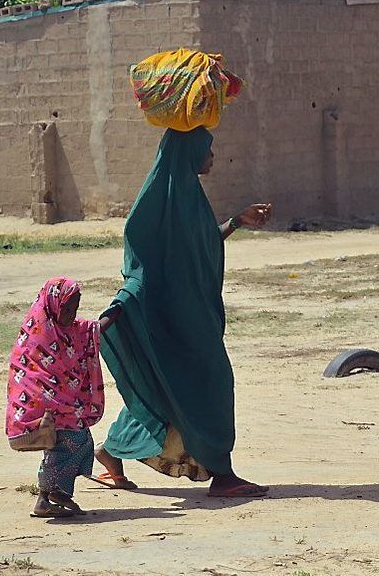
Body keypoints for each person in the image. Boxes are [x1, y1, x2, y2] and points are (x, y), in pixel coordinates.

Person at [93, 127, 274, 498]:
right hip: (168, 319)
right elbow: (141, 258)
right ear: (188, 152)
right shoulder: (157, 200)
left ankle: (111, 451)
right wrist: (118, 310)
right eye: (207, 150)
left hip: (195, 319)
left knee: (174, 392)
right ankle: (223, 476)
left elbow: (198, 245)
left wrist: (237, 222)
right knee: (210, 385)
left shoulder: (189, 196)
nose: (212, 157)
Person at [5, 277, 120, 518]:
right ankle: (47, 497)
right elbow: (31, 376)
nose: (70, 314)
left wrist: (120, 307)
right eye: (66, 308)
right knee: (72, 441)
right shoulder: (38, 333)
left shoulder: (69, 329)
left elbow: (93, 330)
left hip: (63, 410)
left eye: (75, 309)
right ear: (54, 304)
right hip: (44, 411)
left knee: (77, 442)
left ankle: (56, 495)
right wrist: (49, 406)